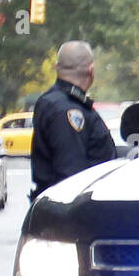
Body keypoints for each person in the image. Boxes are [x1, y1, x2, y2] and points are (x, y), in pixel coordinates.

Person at [29, 41, 116, 200]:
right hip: (73, 214)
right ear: (91, 70)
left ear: (56, 67)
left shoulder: (54, 102)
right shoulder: (69, 111)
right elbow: (71, 177)